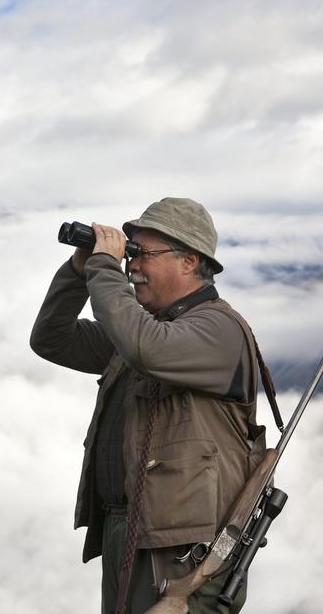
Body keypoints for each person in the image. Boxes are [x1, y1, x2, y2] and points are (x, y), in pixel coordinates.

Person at [30, 198, 267, 614]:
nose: (131, 265)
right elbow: (52, 339)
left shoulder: (219, 329)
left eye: (143, 254)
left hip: (182, 554)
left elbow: (146, 350)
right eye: (130, 253)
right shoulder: (145, 331)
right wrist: (78, 269)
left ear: (190, 261)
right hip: (132, 534)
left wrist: (104, 268)